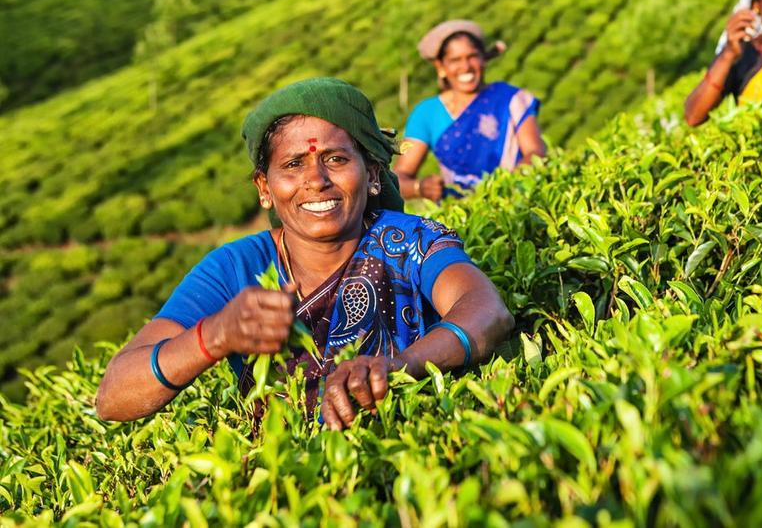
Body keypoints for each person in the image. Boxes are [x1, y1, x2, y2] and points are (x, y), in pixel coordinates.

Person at [95, 78, 514, 429]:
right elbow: (114, 397)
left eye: (335, 159)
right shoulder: (235, 268)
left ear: (371, 175)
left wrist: (399, 366)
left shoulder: (409, 240)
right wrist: (213, 336)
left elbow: (485, 311)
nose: (316, 180)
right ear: (264, 189)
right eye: (293, 165)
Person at [394, 20, 546, 200]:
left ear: (483, 59)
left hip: (514, 202)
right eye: (455, 60)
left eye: (472, 56)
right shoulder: (427, 113)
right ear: (441, 67)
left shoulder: (510, 99)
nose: (465, 67)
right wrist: (419, 188)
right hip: (461, 214)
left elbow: (535, 152)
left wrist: (505, 187)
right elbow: (398, 178)